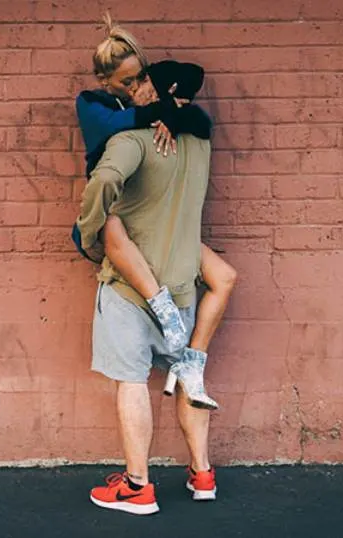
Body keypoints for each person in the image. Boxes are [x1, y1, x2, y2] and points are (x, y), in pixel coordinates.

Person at [77, 59, 221, 515]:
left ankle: (138, 486)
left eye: (144, 81)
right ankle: (202, 475)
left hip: (131, 290)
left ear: (161, 90)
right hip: (181, 288)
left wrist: (88, 230)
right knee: (188, 377)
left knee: (132, 382)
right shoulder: (199, 142)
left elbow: (103, 179)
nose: (137, 88)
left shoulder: (131, 139)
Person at [72, 14, 237, 410]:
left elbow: (198, 111)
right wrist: (163, 113)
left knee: (225, 276)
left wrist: (175, 114)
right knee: (108, 225)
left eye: (139, 78)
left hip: (150, 219)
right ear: (104, 81)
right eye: (125, 83)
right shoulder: (92, 103)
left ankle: (190, 359)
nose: (133, 88)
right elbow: (115, 126)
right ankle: (164, 310)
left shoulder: (158, 113)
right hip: (112, 210)